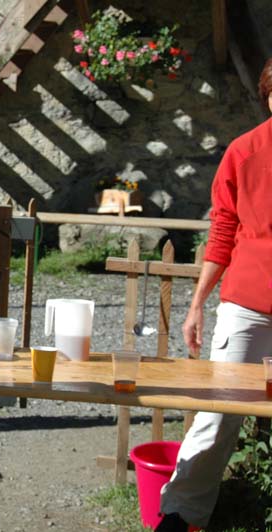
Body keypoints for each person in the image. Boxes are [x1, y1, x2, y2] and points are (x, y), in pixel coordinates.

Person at [156, 58, 272, 532]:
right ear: (268, 97)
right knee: (218, 415)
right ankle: (179, 517)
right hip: (247, 308)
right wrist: (198, 304)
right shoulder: (244, 153)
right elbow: (223, 232)